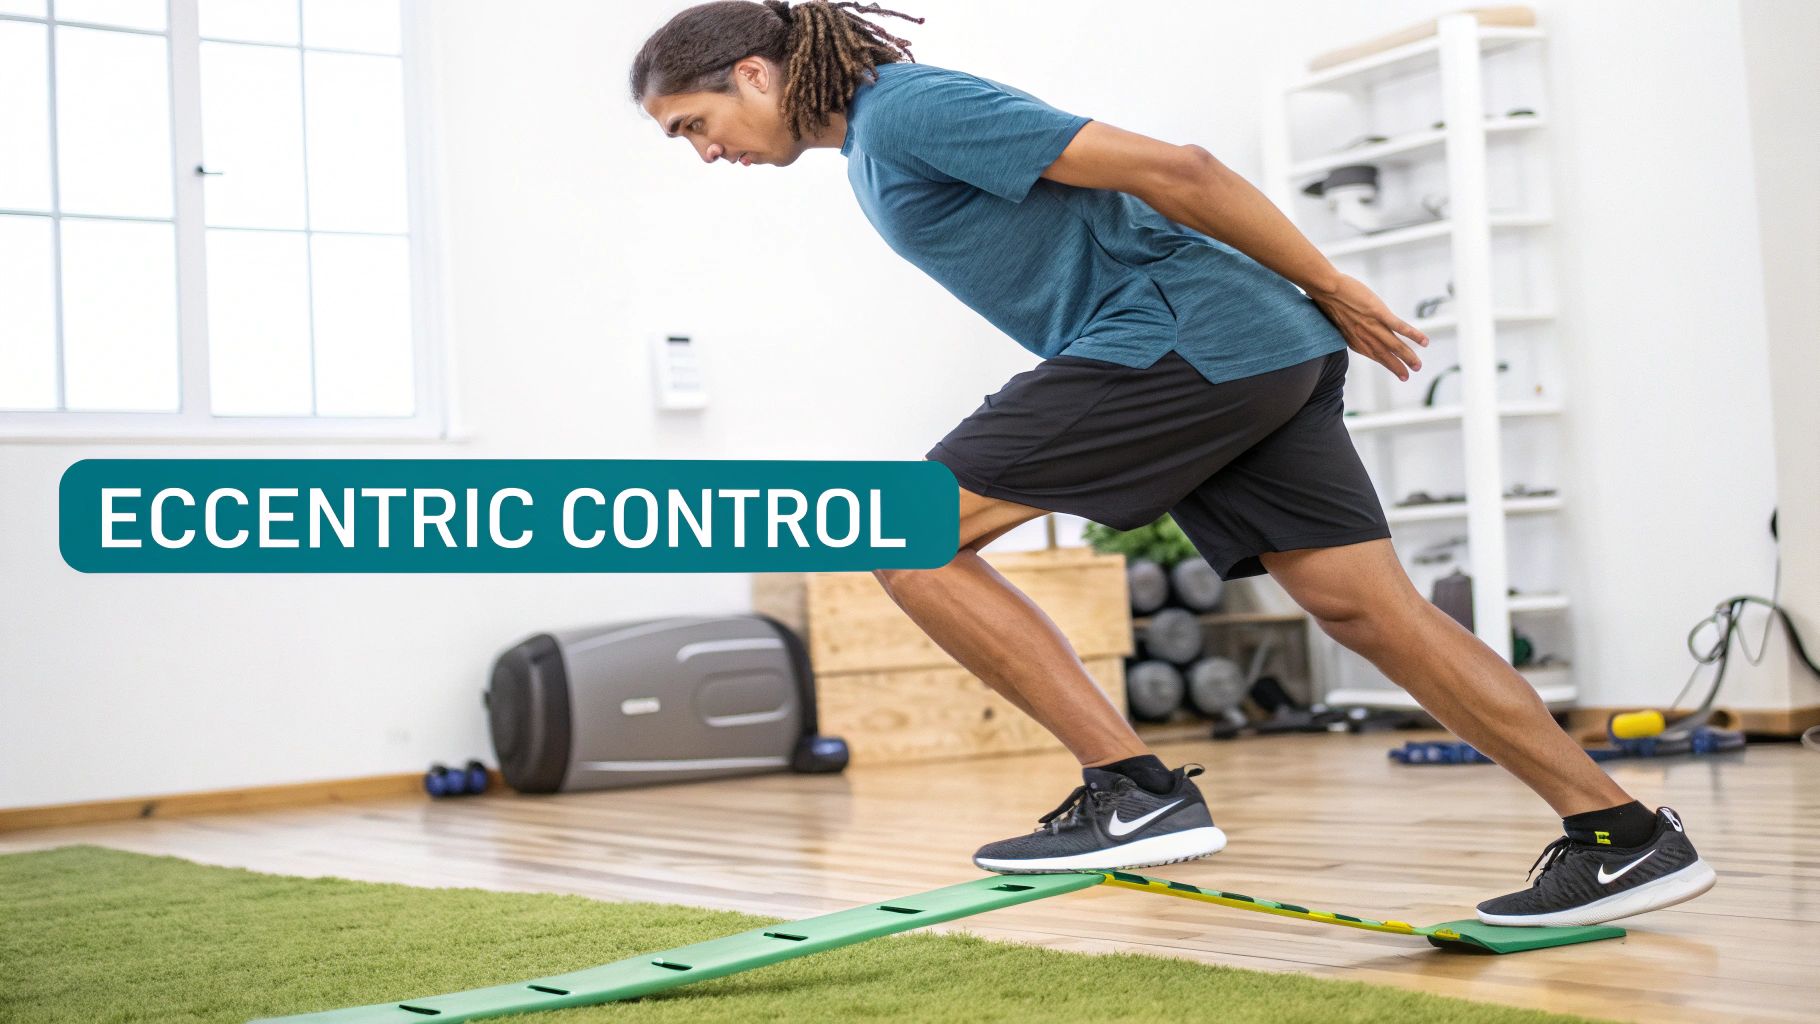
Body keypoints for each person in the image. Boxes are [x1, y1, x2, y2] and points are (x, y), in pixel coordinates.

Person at [629, 0, 1716, 926]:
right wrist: (1306, 307)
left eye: (695, 122)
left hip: (1183, 335)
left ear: (756, 73)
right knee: (1368, 609)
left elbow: (1176, 168)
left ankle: (1133, 789)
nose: (702, 149)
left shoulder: (906, 109)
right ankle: (1620, 833)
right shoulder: (875, 141)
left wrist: (1330, 282)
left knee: (901, 532)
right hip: (1246, 350)